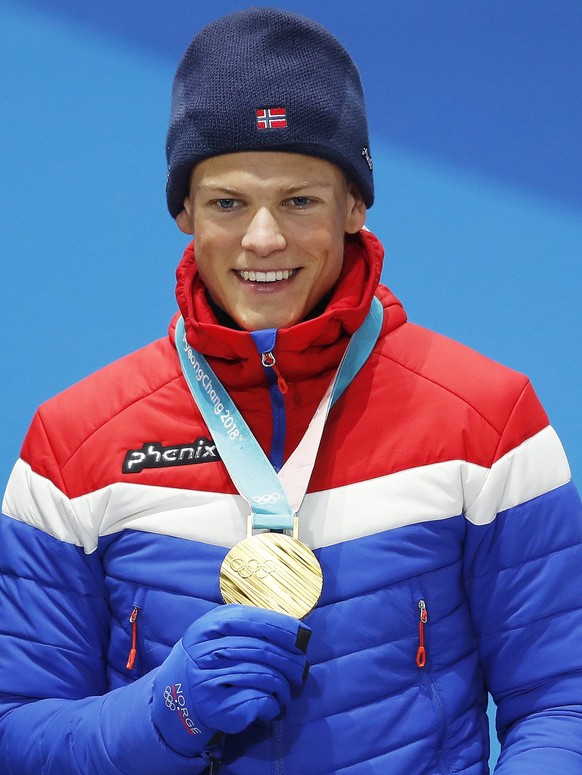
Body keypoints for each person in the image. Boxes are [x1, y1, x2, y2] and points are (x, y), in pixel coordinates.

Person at [1, 7, 581, 774]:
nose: (264, 239)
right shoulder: (72, 442)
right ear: (184, 212)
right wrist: (166, 710)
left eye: (301, 200)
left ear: (354, 205)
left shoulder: (488, 419)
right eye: (228, 202)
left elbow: (562, 702)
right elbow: (17, 729)